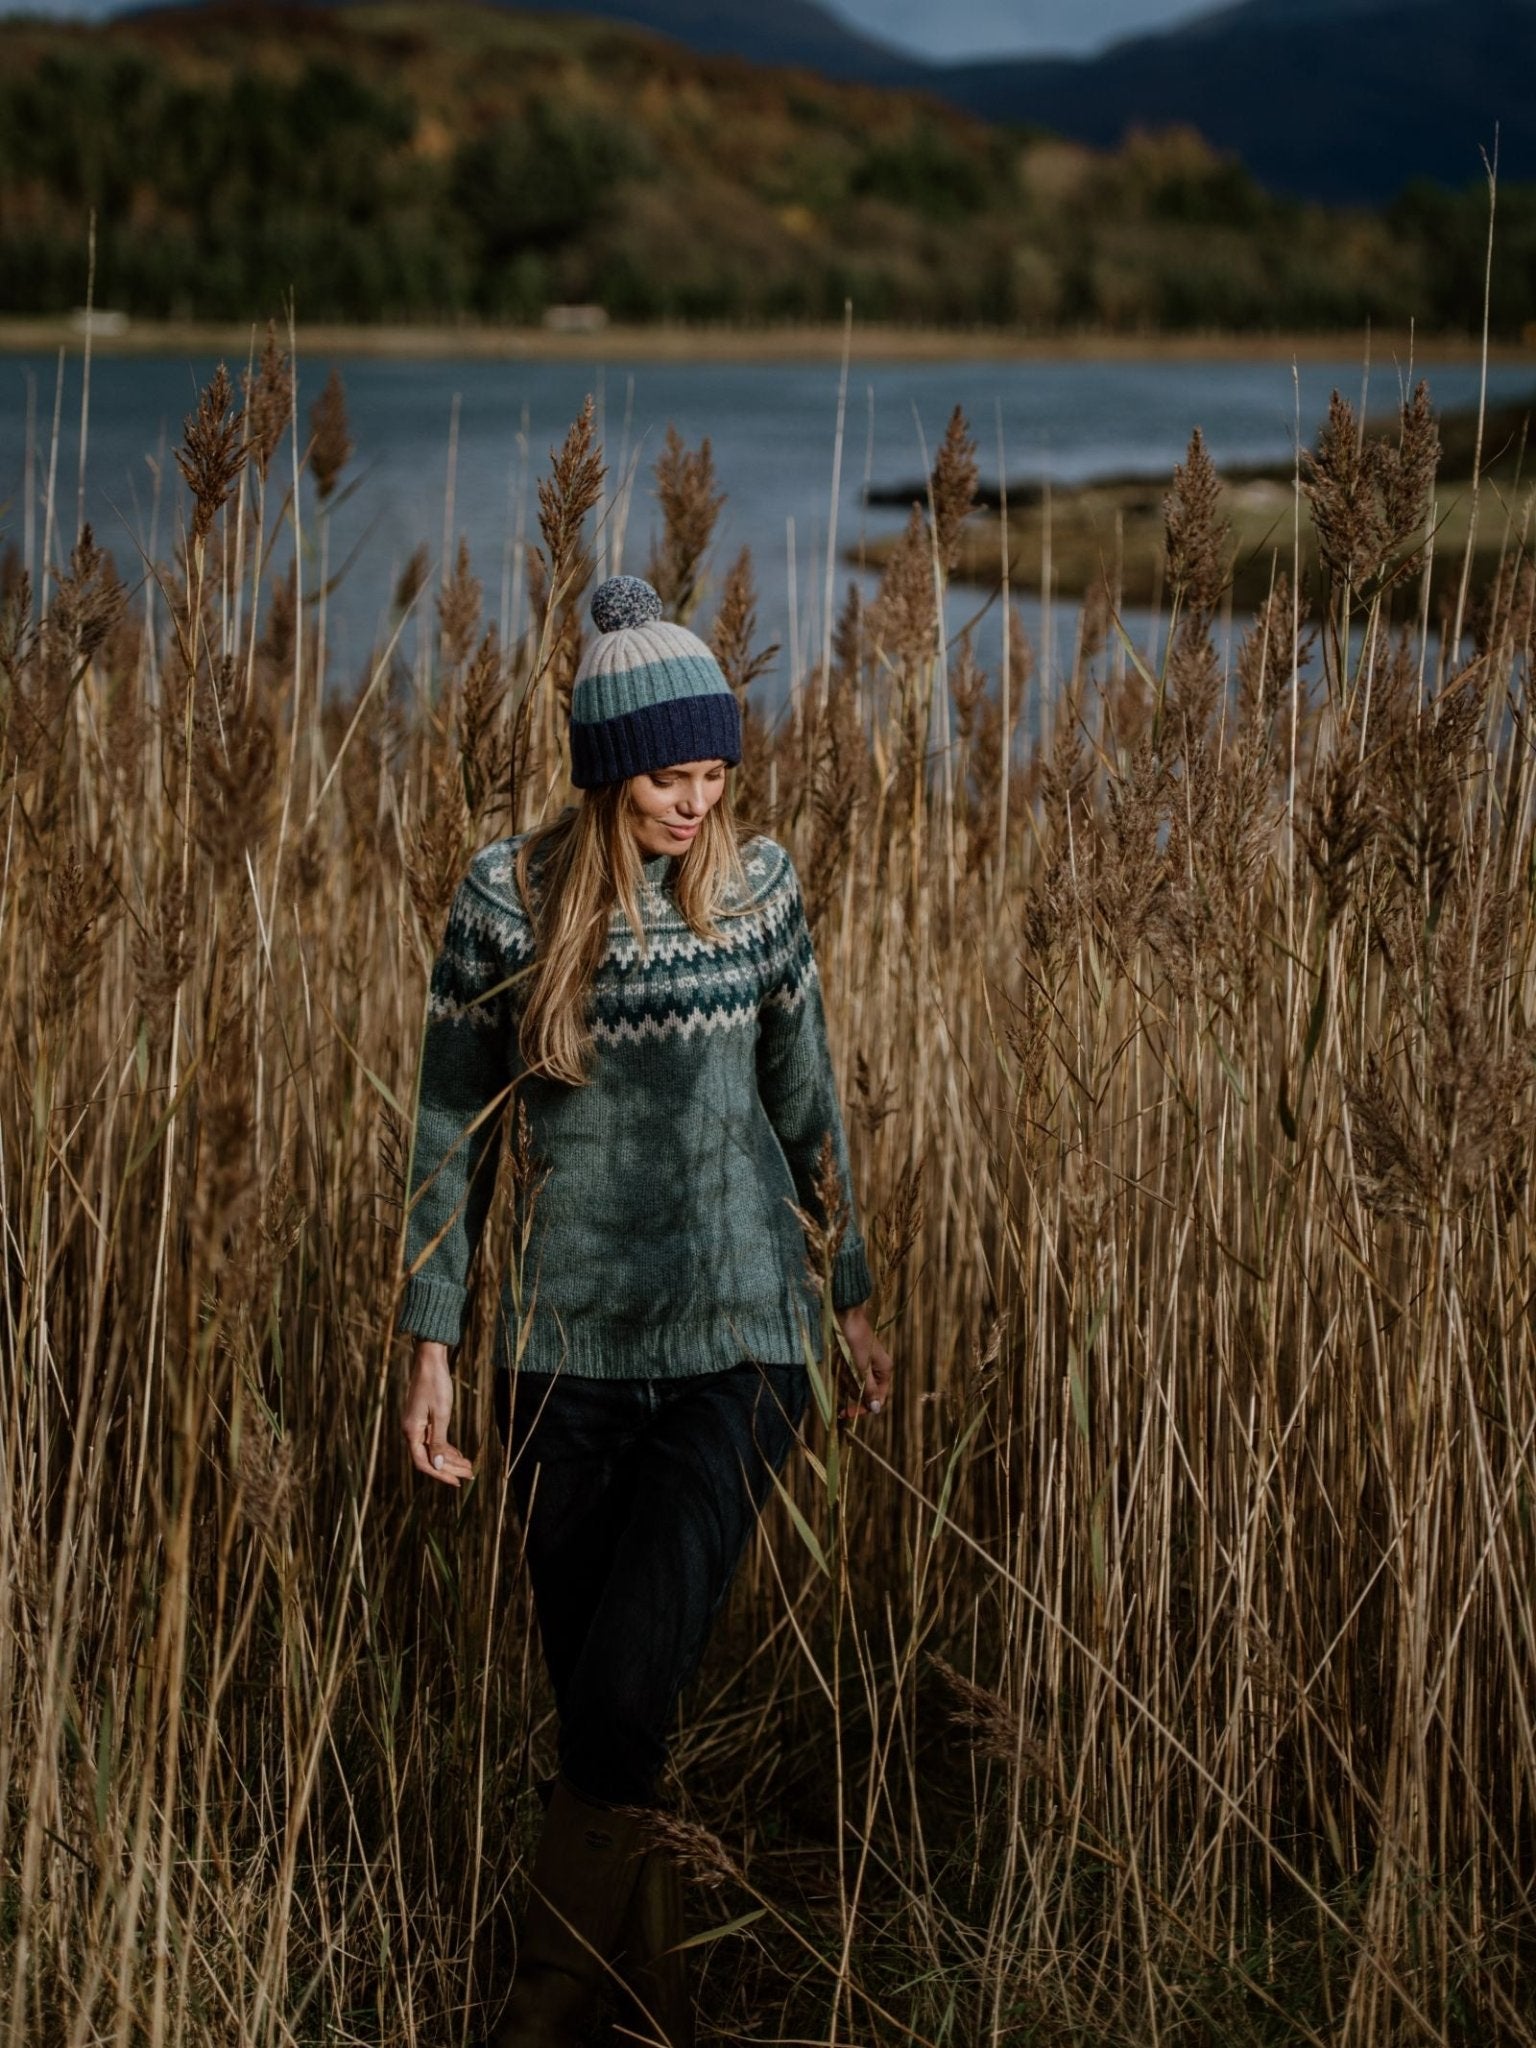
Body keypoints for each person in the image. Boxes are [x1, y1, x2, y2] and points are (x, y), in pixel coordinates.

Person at [394, 573, 893, 2048]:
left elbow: (809, 1103)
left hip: (743, 1348)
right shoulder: (504, 902)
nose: (698, 800)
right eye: (672, 774)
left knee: (620, 1692)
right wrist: (433, 1342)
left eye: (716, 773)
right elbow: (447, 1133)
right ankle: (646, 2009)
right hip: (563, 1356)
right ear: (610, 769)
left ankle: (540, 2012)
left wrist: (847, 1298)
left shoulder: (760, 891)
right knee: (611, 1729)